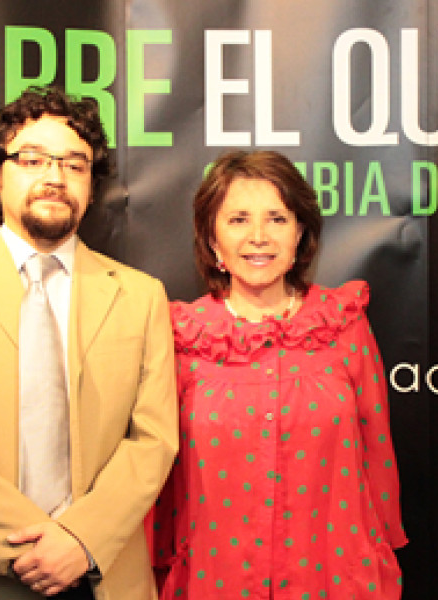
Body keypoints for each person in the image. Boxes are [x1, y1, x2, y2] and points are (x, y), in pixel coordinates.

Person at [0, 87, 178, 600]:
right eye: (32, 159)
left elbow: (153, 440)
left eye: (74, 164)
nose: (54, 178)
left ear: (91, 185)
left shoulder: (140, 296)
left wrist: (81, 541)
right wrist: (35, 547)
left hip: (101, 576)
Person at [150, 150, 408, 599]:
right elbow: (159, 474)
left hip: (332, 574)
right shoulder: (183, 337)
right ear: (212, 240)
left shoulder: (343, 323)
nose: (259, 237)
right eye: (238, 220)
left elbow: (376, 449)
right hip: (216, 578)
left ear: (299, 233)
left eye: (277, 218)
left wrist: (382, 546)